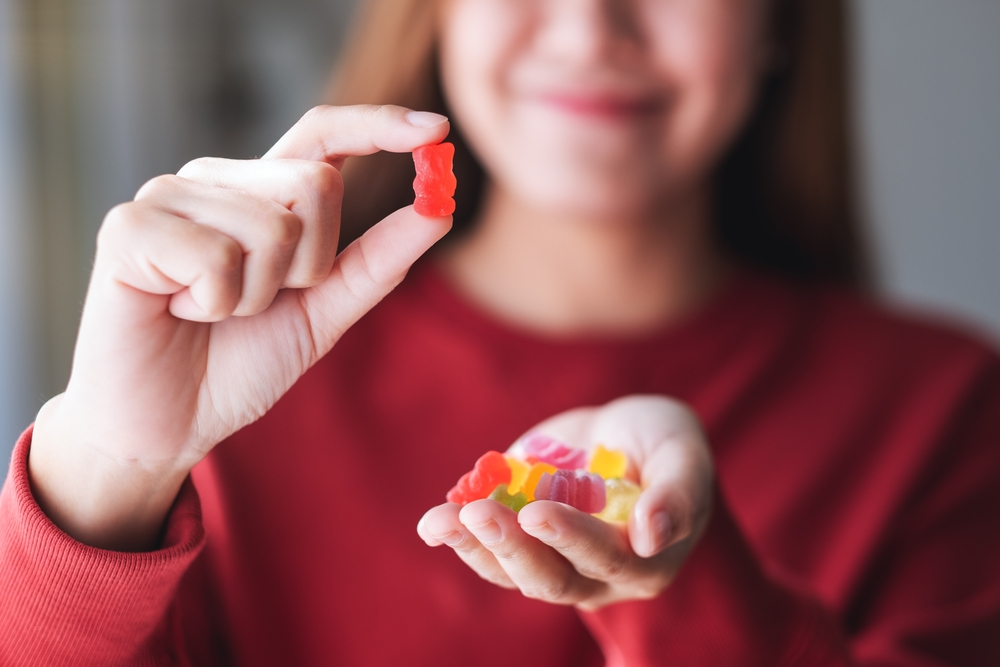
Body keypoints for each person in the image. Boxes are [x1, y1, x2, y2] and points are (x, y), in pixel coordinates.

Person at [1, 0, 998, 664]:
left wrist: (685, 590)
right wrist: (112, 467)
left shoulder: (945, 409)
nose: (588, 28)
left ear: (780, 22)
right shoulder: (243, 385)